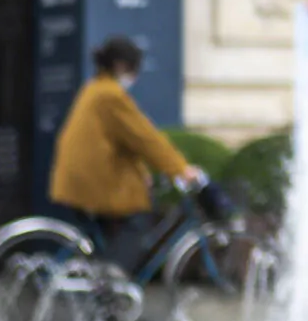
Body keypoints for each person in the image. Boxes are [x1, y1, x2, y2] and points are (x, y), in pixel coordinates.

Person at [48, 35, 203, 270]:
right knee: (138, 219)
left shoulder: (95, 89)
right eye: (134, 68)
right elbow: (145, 138)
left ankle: (105, 282)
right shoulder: (111, 96)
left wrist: (143, 172)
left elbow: (122, 143)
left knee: (109, 233)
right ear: (121, 66)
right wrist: (181, 169)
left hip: (79, 178)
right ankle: (112, 283)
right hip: (93, 181)